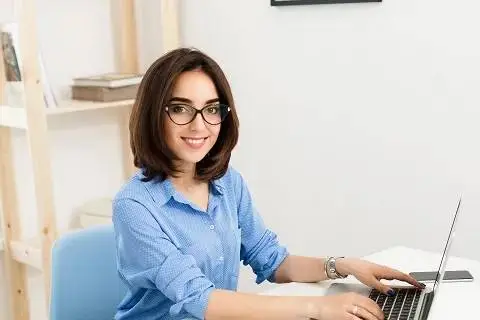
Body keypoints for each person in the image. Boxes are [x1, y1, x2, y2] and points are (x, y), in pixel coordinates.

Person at [112, 47, 424, 320]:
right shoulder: (134, 205)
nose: (199, 124)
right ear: (154, 114)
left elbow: (273, 261)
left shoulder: (227, 183)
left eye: (211, 109)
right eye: (180, 109)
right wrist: (319, 308)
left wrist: (343, 266)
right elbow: (201, 300)